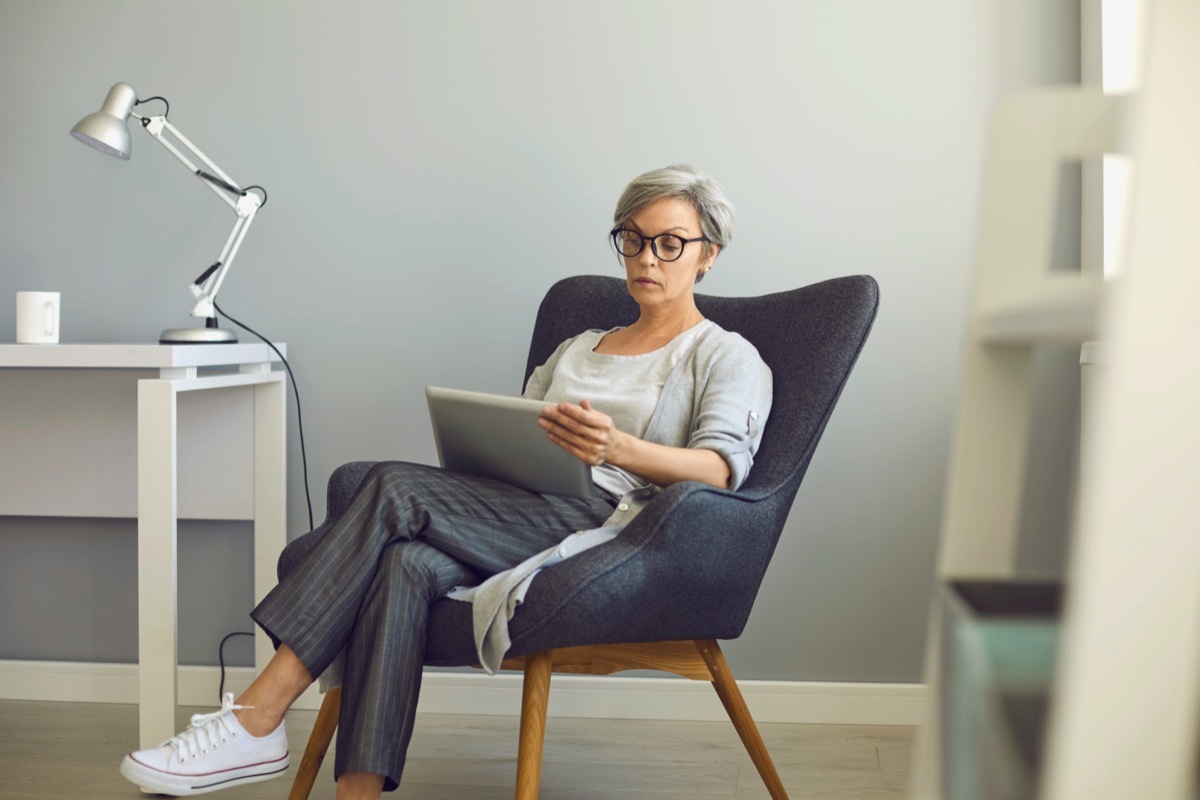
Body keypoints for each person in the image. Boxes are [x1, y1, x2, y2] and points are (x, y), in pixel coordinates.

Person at [118, 164, 773, 799]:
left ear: (707, 254)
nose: (646, 259)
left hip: (606, 523)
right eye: (632, 239)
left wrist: (619, 446)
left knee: (393, 487)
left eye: (668, 244)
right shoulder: (580, 346)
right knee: (403, 564)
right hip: (518, 503)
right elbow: (524, 430)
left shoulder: (723, 353)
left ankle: (258, 716)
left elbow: (719, 470)